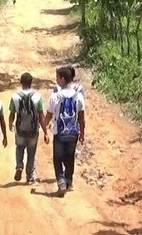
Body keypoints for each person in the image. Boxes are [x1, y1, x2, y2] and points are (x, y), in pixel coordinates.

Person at [45, 67, 86, 197]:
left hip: (59, 133)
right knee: (70, 158)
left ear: (62, 79)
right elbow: (81, 117)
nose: (56, 80)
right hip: (73, 133)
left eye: (57, 78)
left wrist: (44, 129)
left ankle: (61, 181)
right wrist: (82, 133)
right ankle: (68, 182)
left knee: (57, 158)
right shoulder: (78, 96)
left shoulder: (55, 97)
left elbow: (48, 116)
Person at [9, 72, 50, 184]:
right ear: (31, 82)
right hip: (33, 130)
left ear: (21, 82)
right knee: (31, 153)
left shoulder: (15, 97)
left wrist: (10, 124)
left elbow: (12, 114)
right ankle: (30, 176)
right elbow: (41, 116)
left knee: (19, 148)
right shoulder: (38, 97)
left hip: (20, 129)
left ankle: (19, 166)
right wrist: (46, 132)